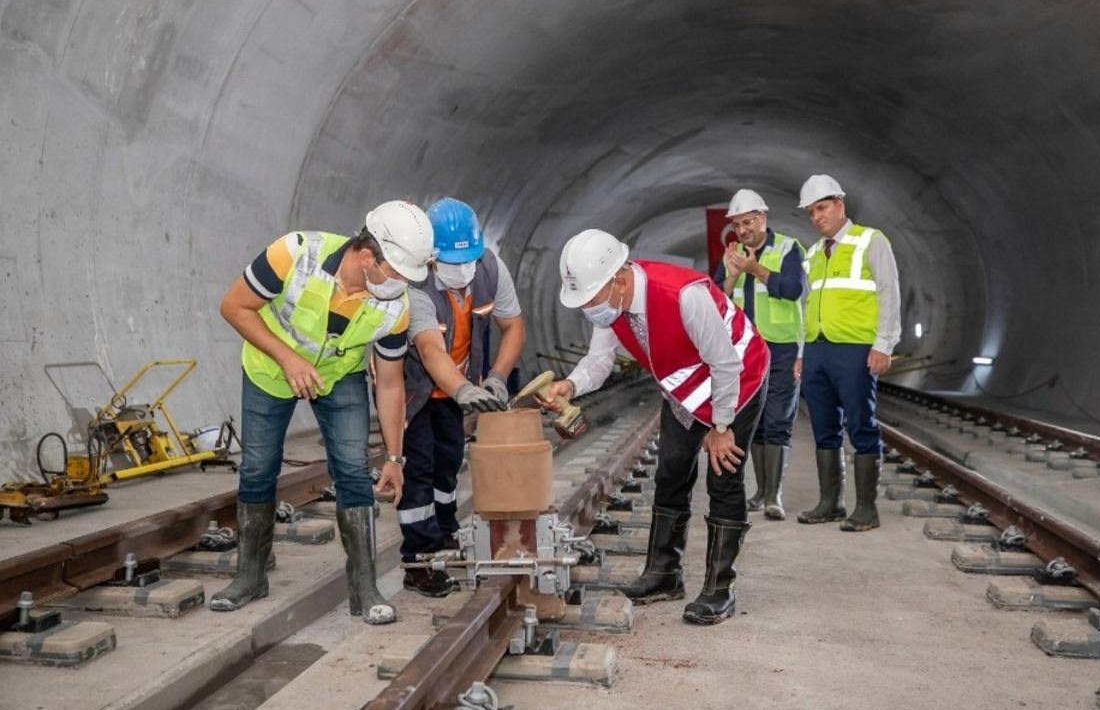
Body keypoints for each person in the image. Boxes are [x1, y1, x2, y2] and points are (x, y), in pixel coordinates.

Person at [212, 201, 431, 624]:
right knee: (258, 468)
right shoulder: (293, 254)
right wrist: (287, 358)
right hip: (270, 371)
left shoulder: (395, 305)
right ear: (368, 256)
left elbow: (389, 382)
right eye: (398, 273)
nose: (402, 284)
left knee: (351, 469)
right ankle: (250, 577)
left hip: (338, 377)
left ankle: (364, 590)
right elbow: (233, 306)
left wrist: (394, 457)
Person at [542, 230, 768, 625]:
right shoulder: (609, 308)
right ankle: (664, 574)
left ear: (620, 278)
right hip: (685, 386)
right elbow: (599, 362)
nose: (589, 309)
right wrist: (571, 384)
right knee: (671, 471)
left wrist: (721, 426)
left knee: (724, 474)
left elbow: (725, 363)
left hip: (738, 376)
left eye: (591, 299)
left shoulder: (683, 294)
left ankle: (720, 588)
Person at [397, 198, 525, 597]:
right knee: (419, 466)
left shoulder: (490, 268)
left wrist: (499, 377)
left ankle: (445, 531)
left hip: (458, 387)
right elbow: (431, 351)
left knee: (449, 460)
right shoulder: (415, 285)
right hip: (414, 386)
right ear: (432, 259)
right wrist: (463, 389)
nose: (465, 269)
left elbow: (513, 326)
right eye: (455, 263)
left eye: (469, 259)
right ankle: (418, 558)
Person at [794, 175, 901, 532]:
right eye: (811, 212)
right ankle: (830, 503)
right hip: (817, 350)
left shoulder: (870, 241)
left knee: (861, 426)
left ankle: (867, 509)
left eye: (822, 208)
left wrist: (883, 344)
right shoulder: (812, 253)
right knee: (824, 428)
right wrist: (800, 353)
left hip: (855, 350)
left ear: (840, 203)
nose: (817, 217)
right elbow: (806, 307)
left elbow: (888, 292)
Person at [712, 188, 806, 520]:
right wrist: (733, 275)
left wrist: (755, 270)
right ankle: (760, 493)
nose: (743, 230)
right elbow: (715, 301)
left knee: (778, 419)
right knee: (755, 423)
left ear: (763, 217)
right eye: (737, 224)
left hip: (780, 348)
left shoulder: (787, 248)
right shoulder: (731, 254)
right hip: (744, 350)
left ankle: (774, 495)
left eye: (748, 221)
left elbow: (793, 289)